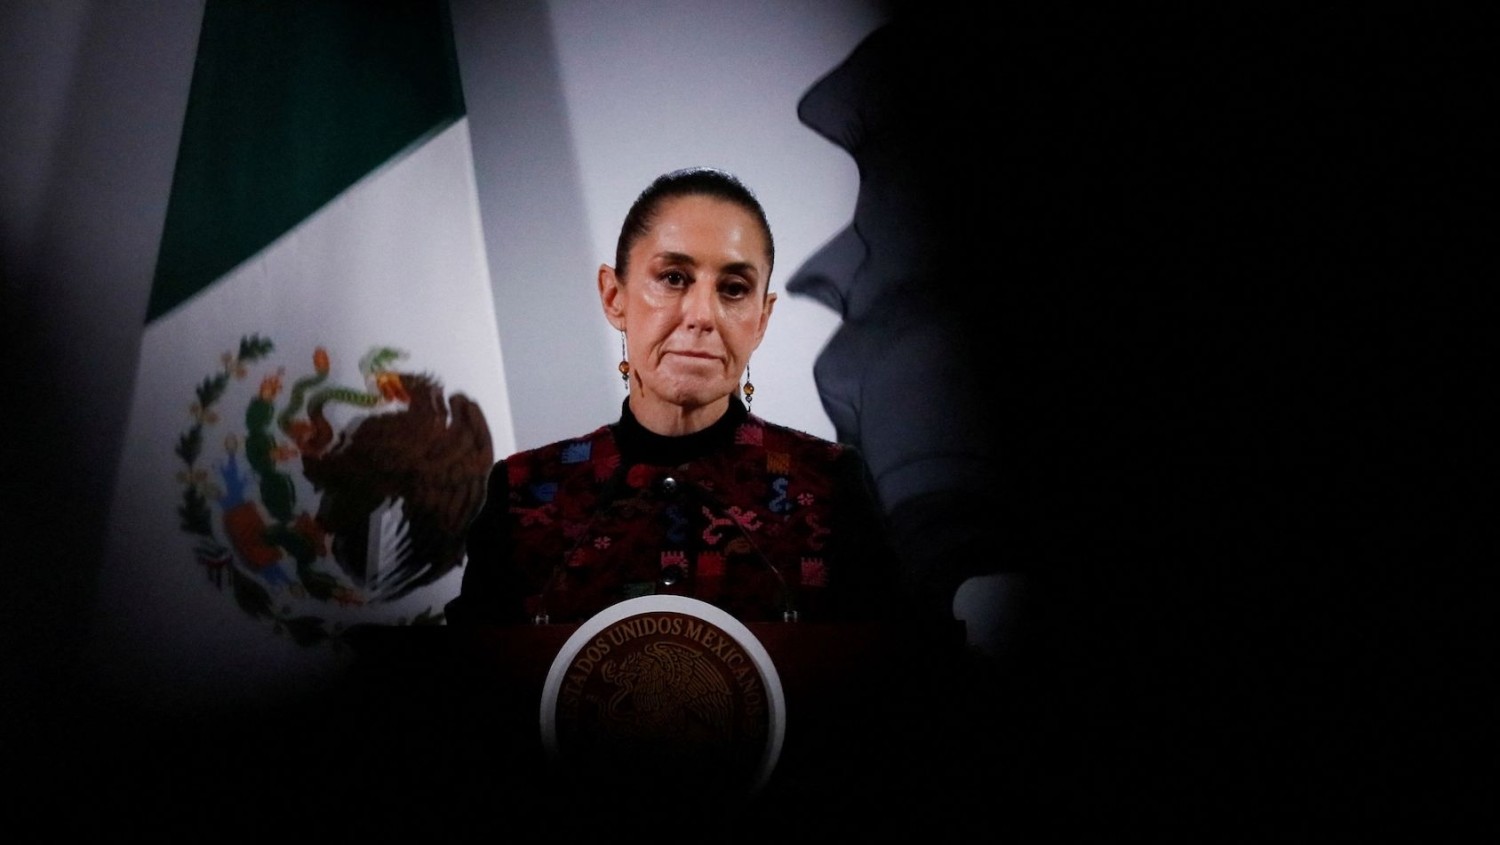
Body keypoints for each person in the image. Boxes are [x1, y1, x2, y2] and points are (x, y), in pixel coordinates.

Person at [444, 166, 916, 630]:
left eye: (733, 289)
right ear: (614, 297)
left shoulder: (830, 488)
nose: (701, 315)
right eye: (673, 278)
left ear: (762, 319)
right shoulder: (524, 494)